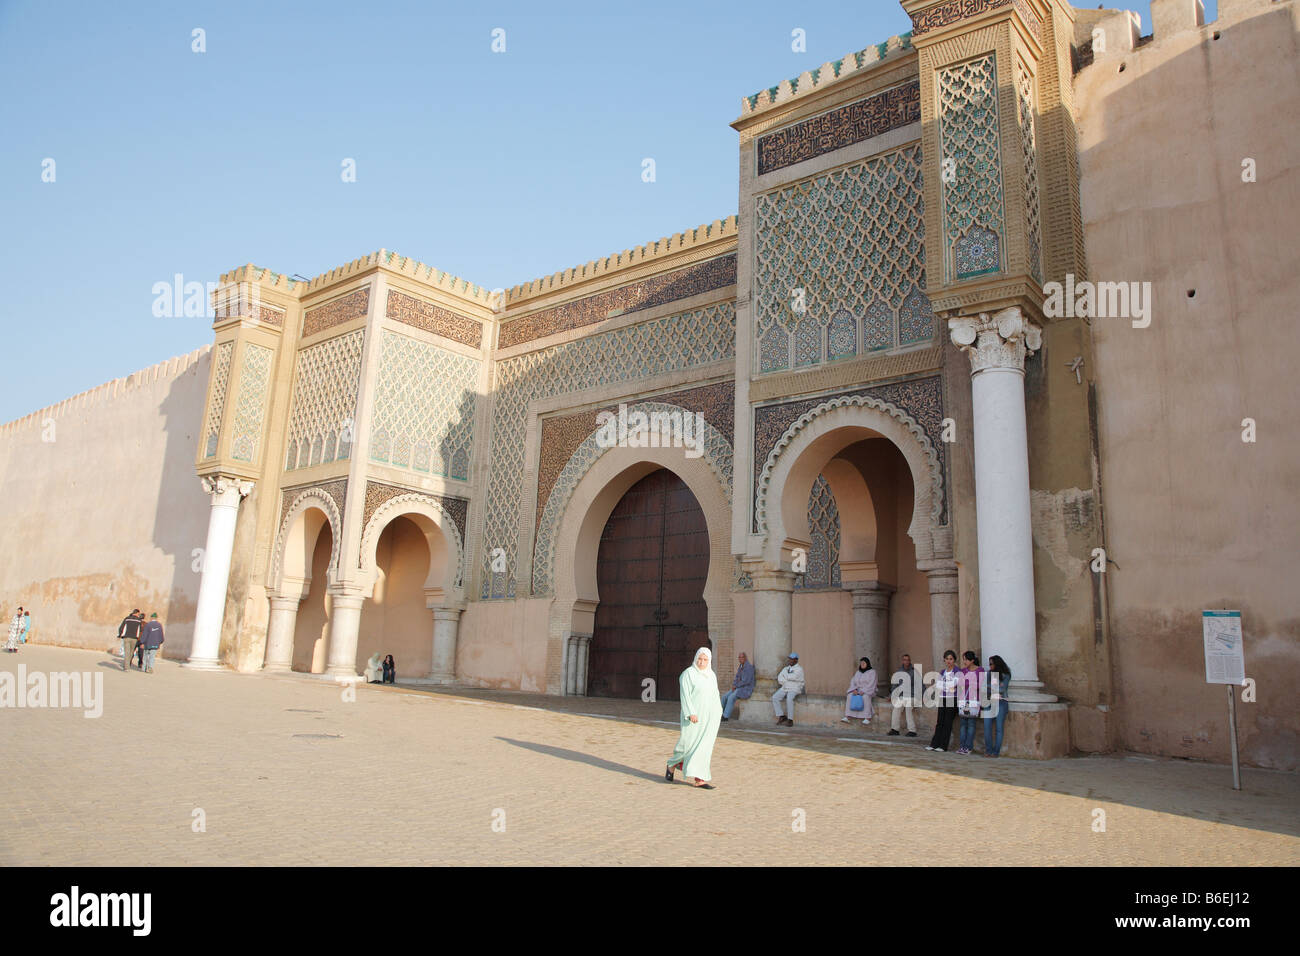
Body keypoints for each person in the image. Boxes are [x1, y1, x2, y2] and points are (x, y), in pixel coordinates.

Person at [665, 647, 722, 789]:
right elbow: (685, 696)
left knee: (704, 747)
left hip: (708, 717)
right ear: (696, 658)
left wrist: (718, 711)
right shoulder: (688, 674)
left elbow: (715, 695)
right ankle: (672, 764)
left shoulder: (711, 675)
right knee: (686, 745)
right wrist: (691, 713)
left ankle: (700, 779)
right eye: (700, 659)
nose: (702, 662)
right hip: (692, 717)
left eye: (705, 660)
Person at [926, 650, 960, 752]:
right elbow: (939, 685)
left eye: (951, 659)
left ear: (954, 660)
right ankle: (934, 744)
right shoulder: (942, 672)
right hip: (942, 698)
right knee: (939, 722)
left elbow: (953, 686)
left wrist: (945, 686)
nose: (949, 661)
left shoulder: (958, 671)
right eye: (947, 659)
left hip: (952, 699)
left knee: (947, 722)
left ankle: (943, 746)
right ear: (944, 660)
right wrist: (946, 686)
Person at [956, 651, 984, 755]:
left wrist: (967, 682)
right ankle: (962, 746)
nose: (964, 661)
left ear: (972, 660)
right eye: (963, 659)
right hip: (964, 700)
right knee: (963, 725)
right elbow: (959, 683)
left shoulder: (980, 670)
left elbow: (980, 685)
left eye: (966, 659)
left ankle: (968, 747)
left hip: (974, 700)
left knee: (971, 725)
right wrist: (971, 682)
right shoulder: (963, 671)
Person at [888, 653, 922, 737]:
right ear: (902, 661)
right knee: (896, 707)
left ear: (910, 661)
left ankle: (912, 731)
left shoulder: (914, 672)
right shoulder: (899, 672)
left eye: (908, 660)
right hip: (903, 696)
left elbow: (921, 685)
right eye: (904, 660)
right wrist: (891, 696)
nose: (906, 661)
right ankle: (895, 729)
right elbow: (895, 686)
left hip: (913, 696)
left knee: (908, 707)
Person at [984, 655, 1011, 757]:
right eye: (989, 664)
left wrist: (989, 687)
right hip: (989, 702)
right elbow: (983, 687)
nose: (989, 666)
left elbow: (1002, 690)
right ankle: (988, 750)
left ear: (996, 664)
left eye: (991, 664)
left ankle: (996, 752)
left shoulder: (1006, 675)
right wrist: (993, 687)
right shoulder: (988, 674)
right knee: (987, 728)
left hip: (1001, 702)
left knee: (999, 728)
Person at [771, 652, 805, 727]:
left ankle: (790, 720)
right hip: (785, 686)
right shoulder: (786, 668)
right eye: (790, 659)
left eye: (792, 659)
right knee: (775, 697)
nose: (790, 661)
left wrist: (785, 677)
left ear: (796, 660)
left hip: (794, 688)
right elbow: (780, 677)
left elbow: (794, 677)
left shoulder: (799, 669)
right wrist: (787, 679)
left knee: (789, 699)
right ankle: (781, 716)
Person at [720, 651, 754, 721]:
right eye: (739, 657)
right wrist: (734, 685)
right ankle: (719, 713)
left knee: (731, 697)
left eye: (742, 657)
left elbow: (746, 681)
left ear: (745, 658)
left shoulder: (749, 667)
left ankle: (725, 716)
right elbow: (737, 677)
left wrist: (736, 686)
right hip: (738, 687)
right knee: (724, 697)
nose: (740, 659)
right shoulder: (740, 667)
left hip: (745, 688)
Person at [842, 657, 877, 725]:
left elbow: (872, 683)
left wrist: (863, 691)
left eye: (864, 663)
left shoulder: (872, 672)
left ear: (867, 663)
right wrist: (854, 690)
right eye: (861, 663)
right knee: (850, 696)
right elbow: (853, 682)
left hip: (868, 690)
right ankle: (847, 716)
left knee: (865, 697)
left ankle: (867, 717)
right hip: (857, 689)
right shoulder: (858, 672)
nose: (862, 664)